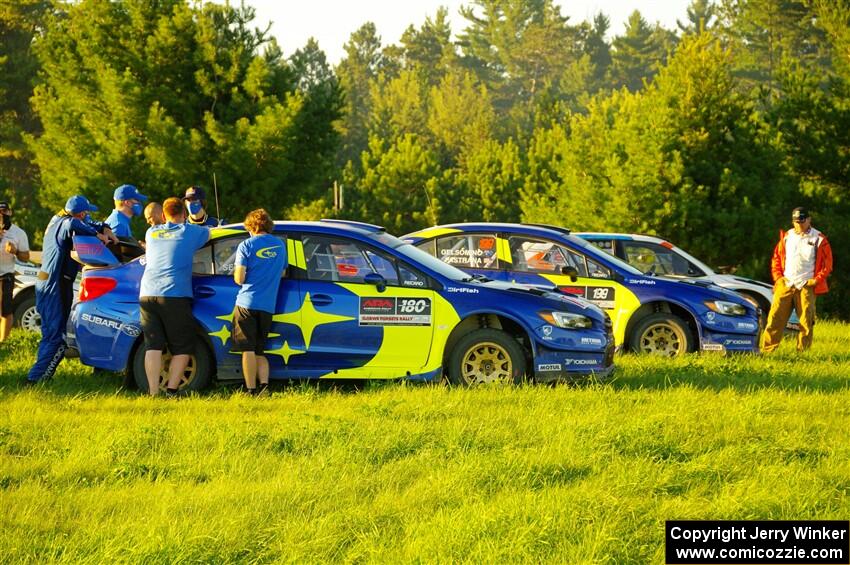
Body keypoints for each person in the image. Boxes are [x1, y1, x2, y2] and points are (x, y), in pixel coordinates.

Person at [26, 196, 118, 384]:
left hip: (46, 281)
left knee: (50, 333)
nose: (88, 216)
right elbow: (73, 224)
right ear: (81, 213)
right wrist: (98, 235)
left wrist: (104, 228)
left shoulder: (56, 219)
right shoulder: (67, 223)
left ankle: (38, 375)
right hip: (55, 284)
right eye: (86, 213)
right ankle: (35, 379)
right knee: (57, 338)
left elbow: (89, 222)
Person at [139, 197, 211, 396]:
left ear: (162, 215)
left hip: (147, 294)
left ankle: (153, 392)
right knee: (182, 347)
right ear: (184, 214)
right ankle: (171, 390)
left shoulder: (151, 232)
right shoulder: (189, 232)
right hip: (174, 295)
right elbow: (208, 232)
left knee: (152, 345)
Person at [762, 207, 833, 353]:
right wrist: (778, 278)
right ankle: (767, 351)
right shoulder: (787, 236)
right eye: (796, 221)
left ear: (809, 220)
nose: (799, 224)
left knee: (806, 322)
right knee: (774, 318)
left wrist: (815, 281)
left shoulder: (819, 239)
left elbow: (827, 265)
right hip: (786, 283)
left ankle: (802, 353)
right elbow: (776, 258)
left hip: (806, 286)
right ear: (793, 221)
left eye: (802, 221)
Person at [231, 209, 287, 395]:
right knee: (260, 350)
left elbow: (239, 278)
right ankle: (264, 387)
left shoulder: (246, 245)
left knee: (247, 349)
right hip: (268, 306)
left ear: (251, 227)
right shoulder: (280, 245)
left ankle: (250, 389)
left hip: (247, 303)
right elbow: (283, 273)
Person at [1, 201, 31, 342]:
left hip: (5, 275)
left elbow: (26, 257)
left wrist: (15, 251)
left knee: (4, 309)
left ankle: (3, 342)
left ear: (10, 212)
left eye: (5, 212)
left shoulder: (18, 233)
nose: (2, 215)